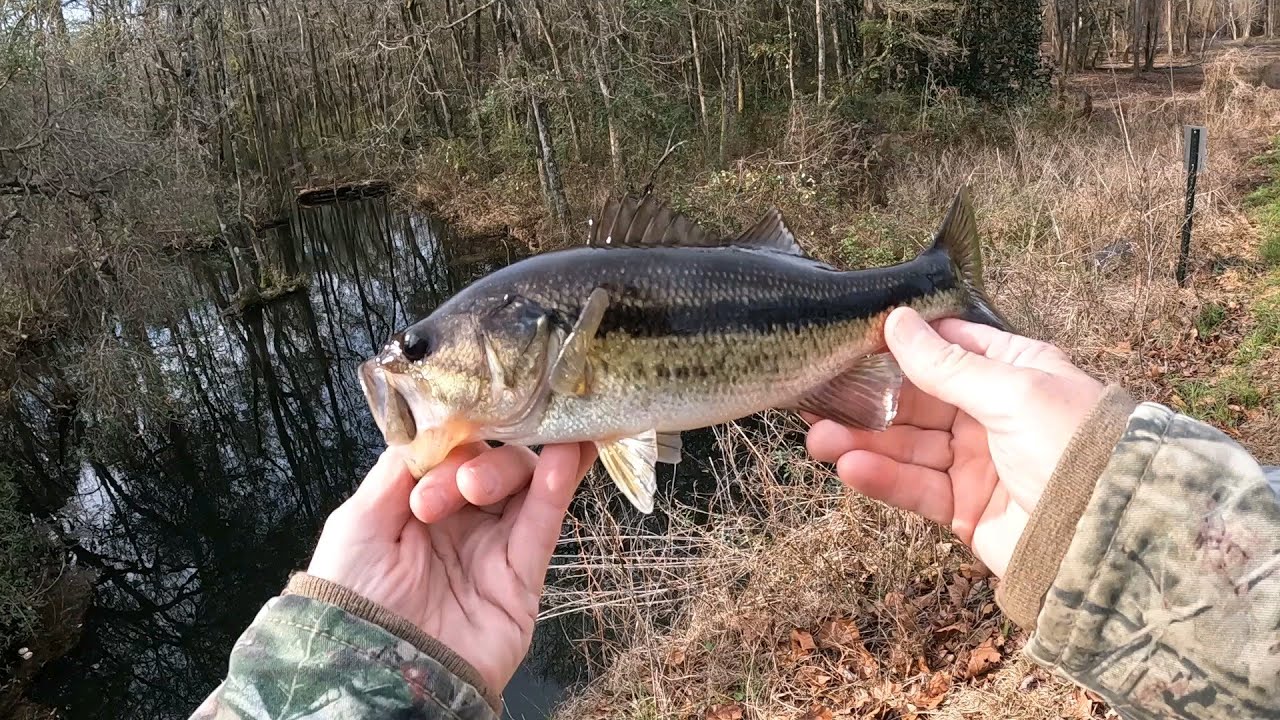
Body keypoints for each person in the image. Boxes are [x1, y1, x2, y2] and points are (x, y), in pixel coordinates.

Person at [190, 307, 1280, 720]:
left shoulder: (565, 362)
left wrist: (347, 671)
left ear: (533, 336)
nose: (409, 367)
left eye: (425, 349)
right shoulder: (546, 378)